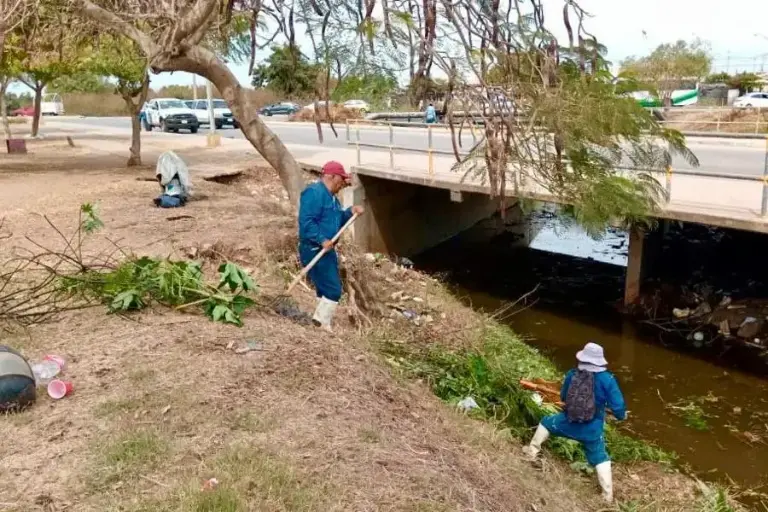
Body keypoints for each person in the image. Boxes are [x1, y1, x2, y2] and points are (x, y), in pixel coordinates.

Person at [522, 342, 627, 503]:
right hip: (591, 430)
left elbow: (564, 397)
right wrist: (621, 416)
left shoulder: (572, 374)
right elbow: (618, 406)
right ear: (599, 361)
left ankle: (531, 453)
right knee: (600, 457)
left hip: (567, 422)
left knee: (546, 422)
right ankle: (607, 497)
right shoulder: (608, 380)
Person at [298, 161, 365, 330]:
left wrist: (350, 211)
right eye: (340, 180)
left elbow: (337, 220)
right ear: (331, 176)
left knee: (324, 289)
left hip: (326, 249)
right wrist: (321, 239)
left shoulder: (332, 198)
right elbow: (306, 222)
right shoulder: (314, 193)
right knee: (333, 289)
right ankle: (321, 323)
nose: (342, 184)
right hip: (315, 249)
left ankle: (318, 322)